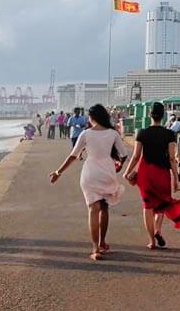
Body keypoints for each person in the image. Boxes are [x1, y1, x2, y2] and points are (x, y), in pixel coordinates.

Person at [49, 104, 127, 260]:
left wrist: (58, 172)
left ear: (91, 118)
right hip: (107, 172)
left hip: (90, 173)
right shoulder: (113, 133)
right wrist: (118, 166)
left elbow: (73, 155)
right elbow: (123, 154)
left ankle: (95, 248)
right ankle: (103, 242)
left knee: (93, 209)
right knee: (104, 208)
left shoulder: (86, 134)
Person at [123, 102, 180, 249]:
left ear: (150, 115)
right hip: (162, 173)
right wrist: (176, 178)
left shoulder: (142, 133)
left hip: (146, 173)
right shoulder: (169, 134)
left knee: (148, 206)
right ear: (163, 116)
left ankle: (151, 241)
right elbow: (172, 158)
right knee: (162, 204)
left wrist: (127, 173)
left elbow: (136, 156)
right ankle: (158, 229)